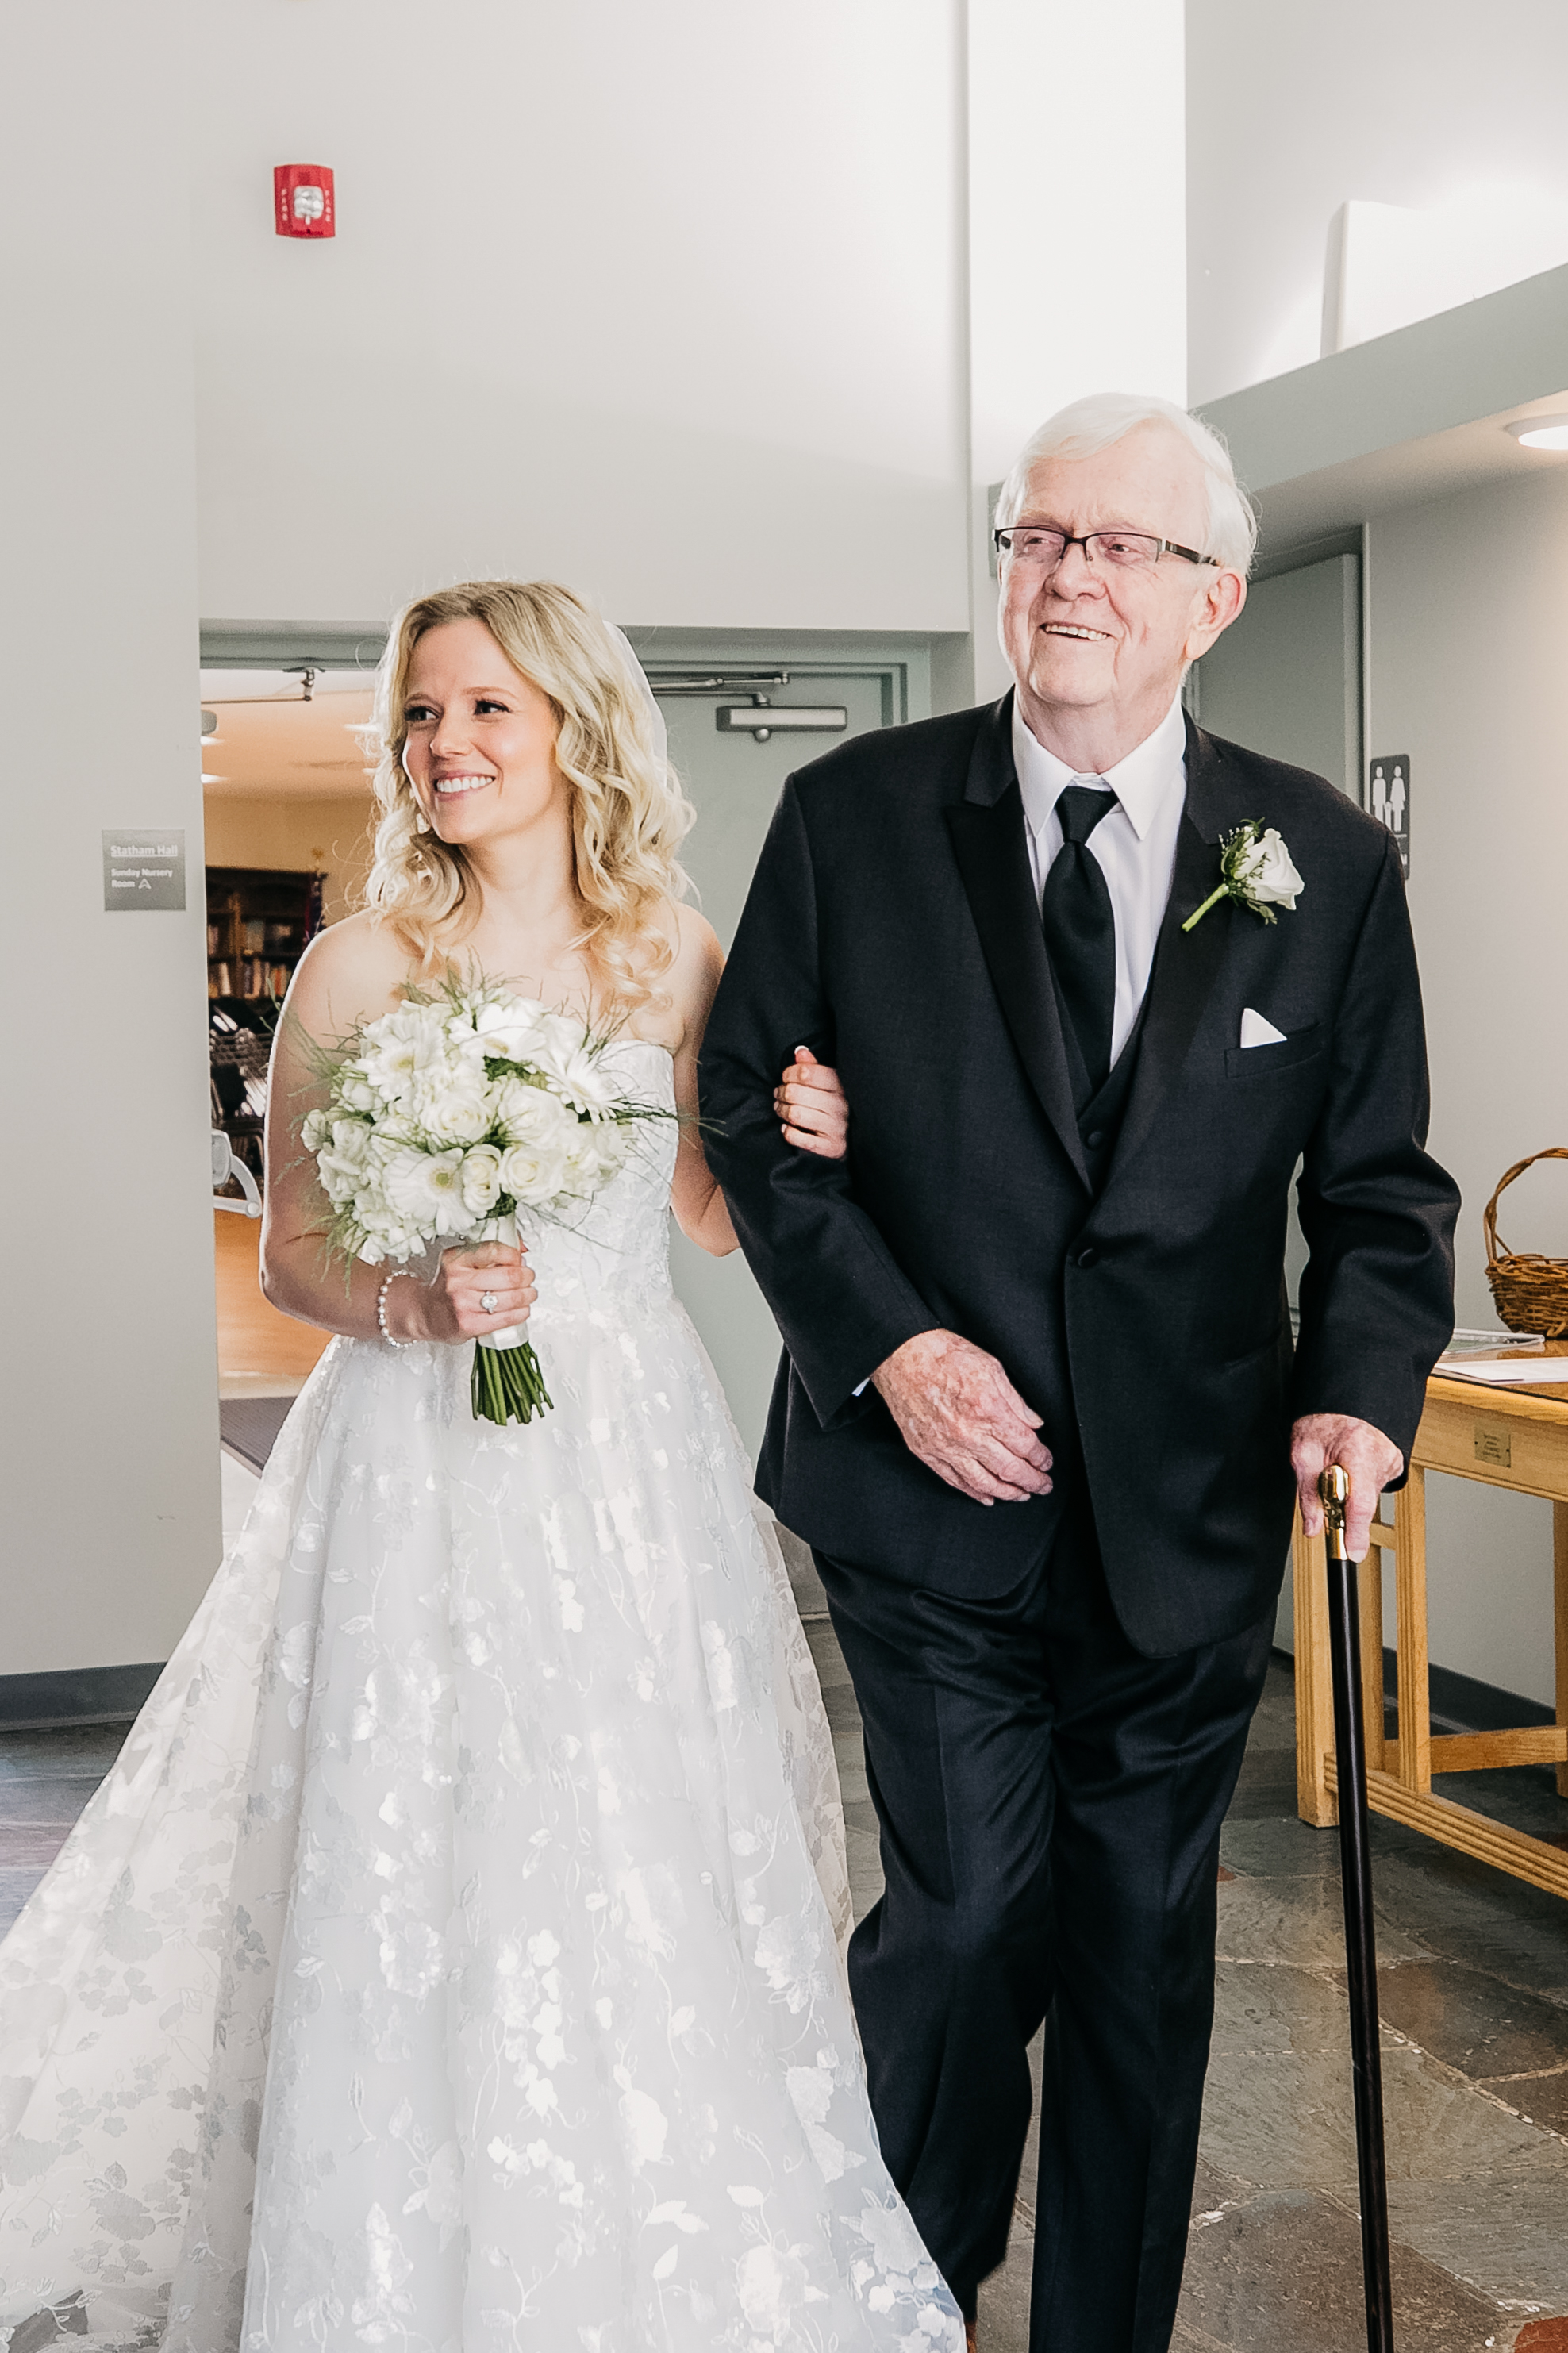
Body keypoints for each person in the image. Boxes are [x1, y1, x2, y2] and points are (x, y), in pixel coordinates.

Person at [0, 581, 964, 2353]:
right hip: (412, 1452)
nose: (444, 744)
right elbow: (292, 1255)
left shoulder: (673, 952)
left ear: (575, 726)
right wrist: (414, 1298)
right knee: (420, 1827)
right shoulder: (358, 963)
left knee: (628, 1820)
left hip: (626, 1456)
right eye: (422, 715)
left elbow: (711, 1218)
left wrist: (810, 1136)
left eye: (484, 708)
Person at [703, 394, 1460, 2353]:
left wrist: (1357, 1391)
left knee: (1136, 1952)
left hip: (1185, 1514)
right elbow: (749, 1111)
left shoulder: (1324, 860)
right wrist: (893, 1347)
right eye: (1038, 537)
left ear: (1212, 599)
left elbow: (1380, 1191)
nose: (1068, 578)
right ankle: (908, 2301)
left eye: (1119, 546)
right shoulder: (855, 816)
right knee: (964, 1924)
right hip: (921, 1500)